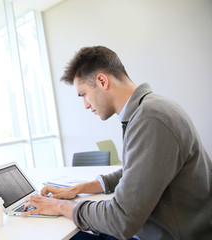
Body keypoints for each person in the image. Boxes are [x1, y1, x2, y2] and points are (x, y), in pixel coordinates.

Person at [21, 46, 212, 239]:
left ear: (102, 81)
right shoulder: (149, 110)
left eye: (84, 94)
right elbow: (135, 171)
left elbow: (121, 219)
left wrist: (61, 206)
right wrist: (78, 189)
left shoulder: (150, 118)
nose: (86, 105)